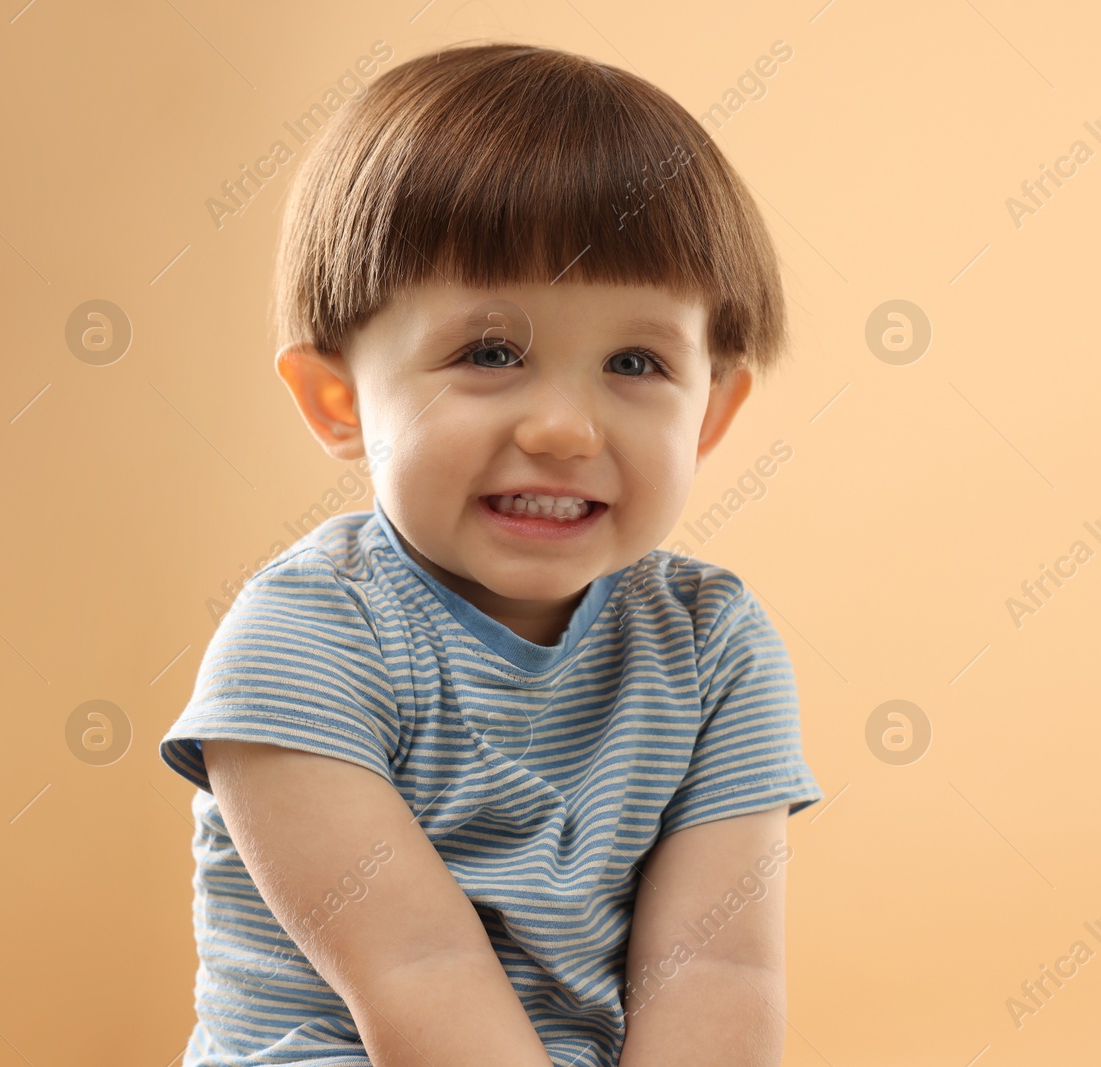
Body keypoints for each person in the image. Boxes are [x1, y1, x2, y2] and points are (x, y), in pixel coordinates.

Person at [157, 41, 823, 1067]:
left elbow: (716, 969)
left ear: (710, 412)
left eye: (635, 362)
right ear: (338, 400)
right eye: (490, 353)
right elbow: (417, 971)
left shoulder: (712, 647)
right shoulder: (306, 638)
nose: (564, 426)